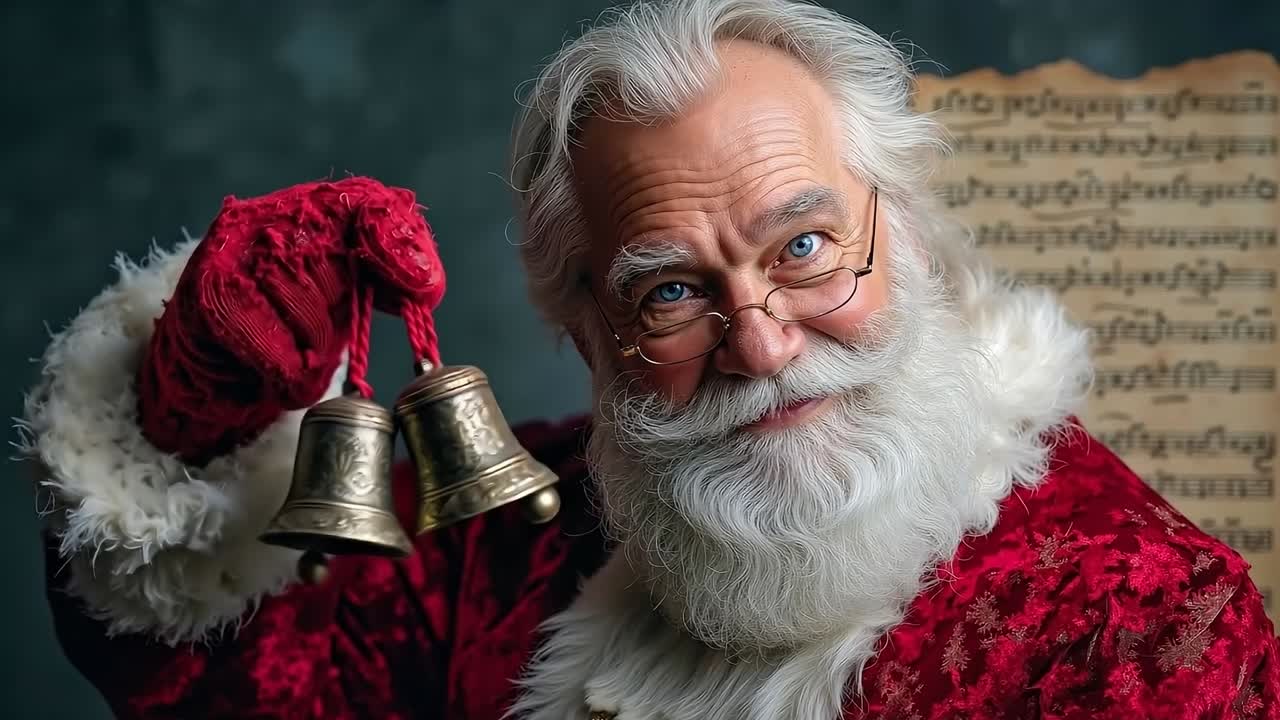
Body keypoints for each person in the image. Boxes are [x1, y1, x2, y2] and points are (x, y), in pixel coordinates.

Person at [18, 0, 1278, 718]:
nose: (763, 341)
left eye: (804, 247)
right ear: (579, 325)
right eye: (670, 291)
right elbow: (203, 677)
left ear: (910, 238)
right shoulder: (516, 534)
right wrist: (195, 392)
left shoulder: (1142, 619)